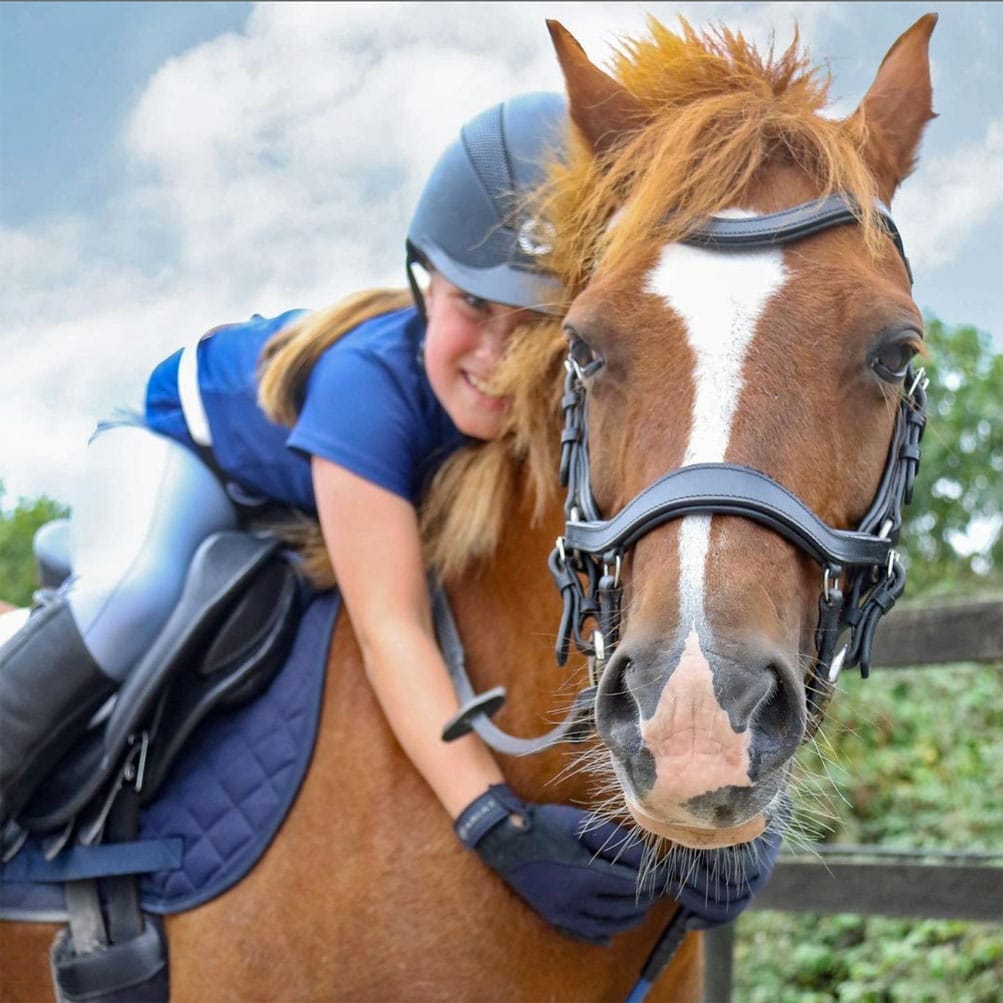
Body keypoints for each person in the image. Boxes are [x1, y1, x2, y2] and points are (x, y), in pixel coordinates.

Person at [2, 92, 733, 945]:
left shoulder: (566, 401)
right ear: (426, 283)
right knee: (133, 593)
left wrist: (721, 827)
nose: (495, 359)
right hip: (187, 454)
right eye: (470, 306)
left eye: (533, 322)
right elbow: (391, 630)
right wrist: (498, 827)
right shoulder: (367, 390)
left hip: (330, 489)